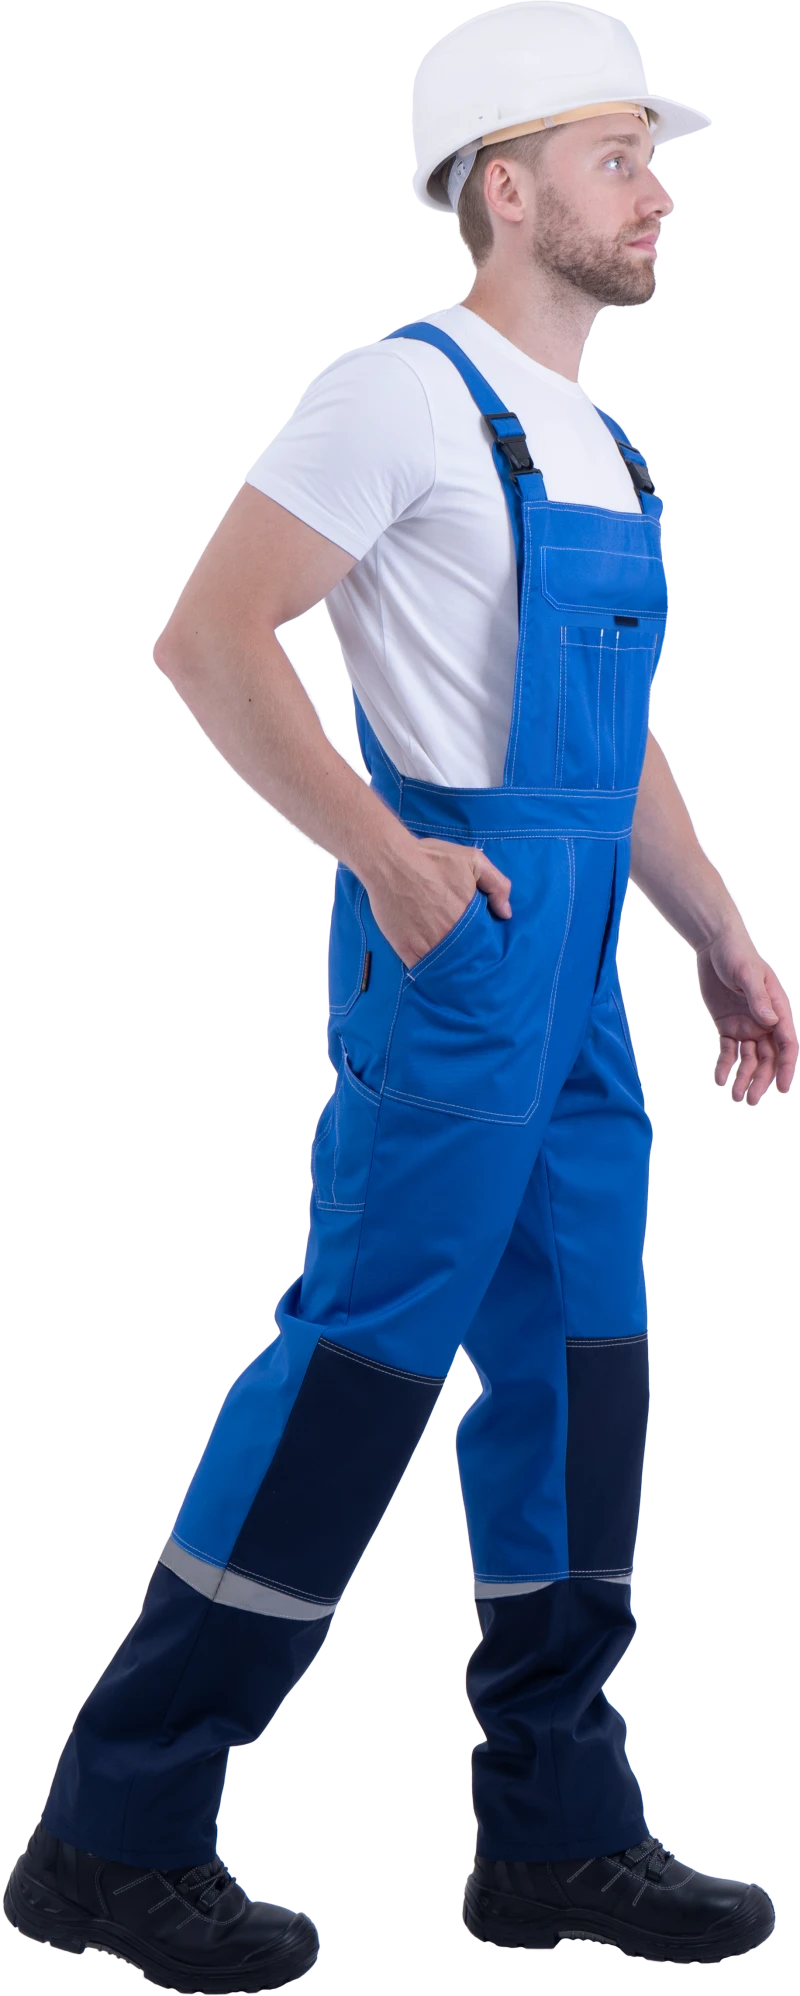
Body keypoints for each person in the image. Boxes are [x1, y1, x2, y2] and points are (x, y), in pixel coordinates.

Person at [5, 4, 792, 1983]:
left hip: (579, 983)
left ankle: (557, 1832)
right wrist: (383, 850)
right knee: (361, 1367)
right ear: (505, 190)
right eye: (622, 160)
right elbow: (211, 636)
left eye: (656, 162)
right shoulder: (395, 393)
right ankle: (115, 1829)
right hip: (459, 958)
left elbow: (615, 743)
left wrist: (714, 932)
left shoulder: (605, 440)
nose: (660, 195)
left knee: (583, 1376)